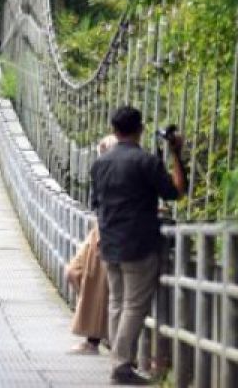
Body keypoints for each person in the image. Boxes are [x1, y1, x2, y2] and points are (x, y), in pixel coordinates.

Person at [91, 106, 186, 386]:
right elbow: (177, 191)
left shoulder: (100, 164)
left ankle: (120, 361)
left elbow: (95, 204)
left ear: (114, 129)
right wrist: (176, 153)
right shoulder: (145, 161)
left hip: (109, 244)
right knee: (134, 306)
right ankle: (121, 365)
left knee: (117, 302)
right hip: (139, 245)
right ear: (140, 129)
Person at [65, 135, 118, 354]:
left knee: (97, 281)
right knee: (74, 272)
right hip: (100, 227)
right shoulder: (102, 170)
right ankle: (97, 331)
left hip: (109, 230)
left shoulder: (120, 173)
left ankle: (94, 339)